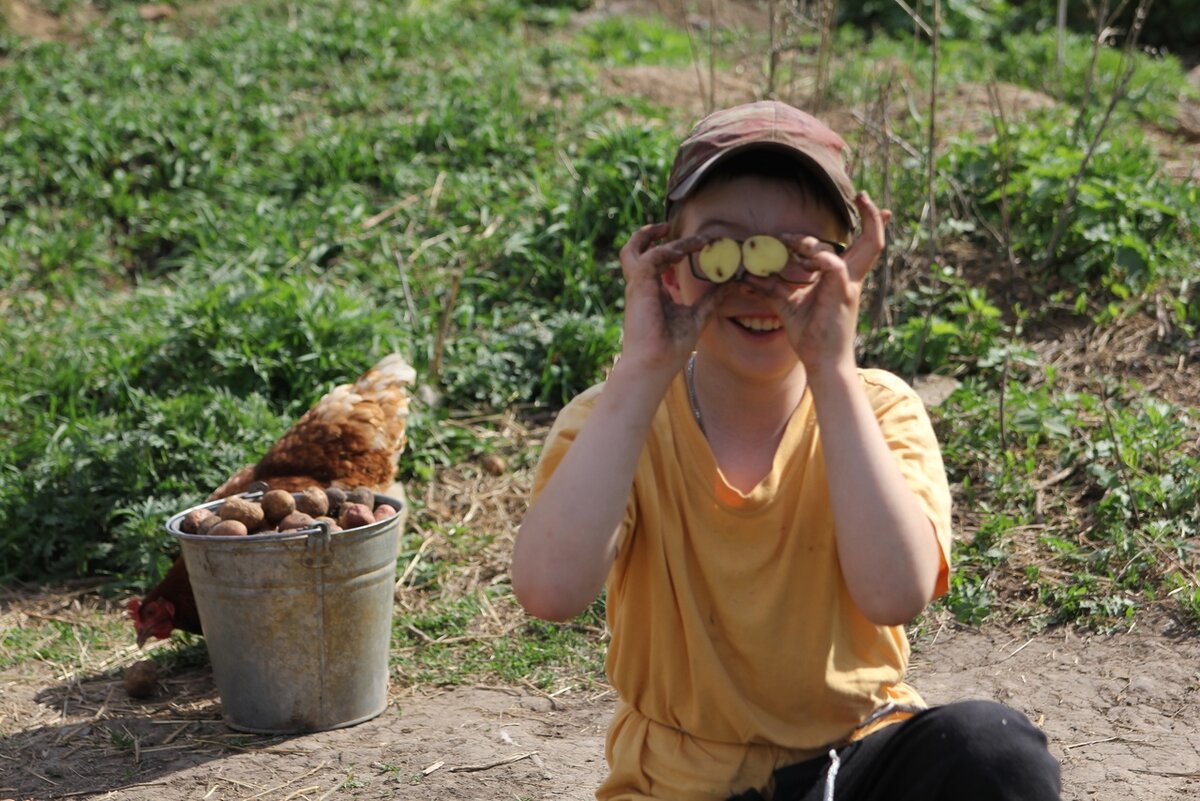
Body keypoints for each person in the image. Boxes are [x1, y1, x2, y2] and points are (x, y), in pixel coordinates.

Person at [510, 100, 1061, 801]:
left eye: (794, 252)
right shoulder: (616, 420)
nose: (756, 281)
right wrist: (642, 367)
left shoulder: (878, 409)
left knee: (992, 750)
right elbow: (549, 592)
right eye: (722, 247)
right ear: (671, 262)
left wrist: (831, 369)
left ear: (840, 266)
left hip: (852, 764)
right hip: (679, 785)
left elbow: (895, 593)